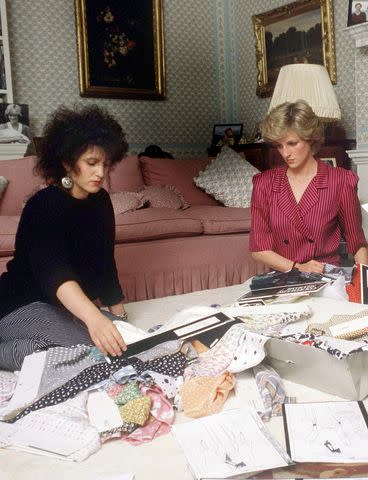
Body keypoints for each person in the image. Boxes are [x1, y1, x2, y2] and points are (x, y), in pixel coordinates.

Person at [0, 105, 129, 370]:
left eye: (105, 164)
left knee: (123, 341)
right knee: (90, 347)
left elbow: (106, 260)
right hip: (21, 302)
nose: (100, 173)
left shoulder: (102, 201)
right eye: (91, 163)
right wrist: (94, 319)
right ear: (68, 163)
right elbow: (54, 273)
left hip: (59, 306)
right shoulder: (44, 205)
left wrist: (119, 316)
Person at [249, 100, 368, 274]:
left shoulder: (341, 181)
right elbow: (259, 250)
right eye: (279, 145)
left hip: (326, 277)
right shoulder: (264, 184)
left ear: (311, 139)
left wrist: (363, 289)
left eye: (292, 143)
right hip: (283, 278)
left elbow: (357, 245)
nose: (285, 153)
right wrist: (298, 268)